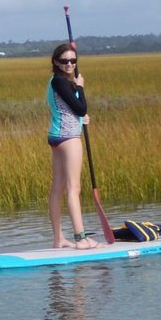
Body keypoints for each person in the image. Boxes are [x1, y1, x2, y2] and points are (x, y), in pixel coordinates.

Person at [46, 42, 99, 250]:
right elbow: (80, 107)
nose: (69, 64)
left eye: (73, 61)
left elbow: (72, 110)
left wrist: (81, 118)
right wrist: (80, 87)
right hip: (68, 138)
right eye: (64, 61)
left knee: (58, 187)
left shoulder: (56, 82)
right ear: (55, 62)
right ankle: (81, 239)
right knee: (73, 188)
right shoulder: (60, 81)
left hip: (57, 136)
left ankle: (59, 239)